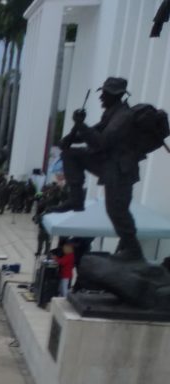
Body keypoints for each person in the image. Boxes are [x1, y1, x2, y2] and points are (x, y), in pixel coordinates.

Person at [55, 76, 143, 260]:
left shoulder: (123, 116)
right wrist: (71, 137)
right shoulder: (111, 113)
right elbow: (94, 131)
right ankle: (76, 199)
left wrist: (81, 125)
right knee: (70, 154)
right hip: (108, 164)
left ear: (115, 95)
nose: (101, 97)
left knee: (117, 211)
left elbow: (101, 142)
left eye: (105, 94)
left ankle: (133, 251)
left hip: (120, 171)